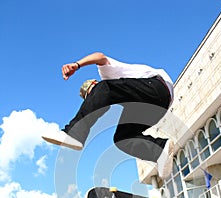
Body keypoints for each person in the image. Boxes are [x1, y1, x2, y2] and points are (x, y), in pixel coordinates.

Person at [42, 52, 174, 179]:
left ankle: (74, 134)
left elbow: (100, 56)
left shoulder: (107, 75)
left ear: (94, 83)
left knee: (104, 88)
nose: (93, 98)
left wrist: (77, 65)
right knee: (122, 139)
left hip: (156, 88)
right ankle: (159, 150)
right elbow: (98, 106)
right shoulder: (121, 91)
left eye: (91, 93)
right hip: (157, 107)